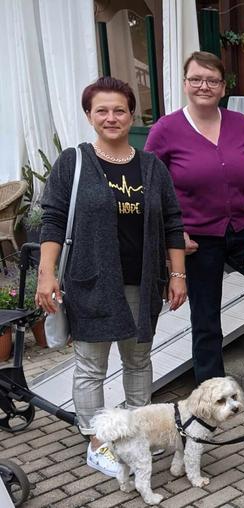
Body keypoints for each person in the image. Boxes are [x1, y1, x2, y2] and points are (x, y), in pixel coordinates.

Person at [36, 76, 187, 478]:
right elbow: (52, 220)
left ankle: (138, 435)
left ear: (132, 115)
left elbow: (173, 223)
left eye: (120, 110)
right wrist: (46, 275)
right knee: (91, 366)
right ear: (89, 115)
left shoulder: (152, 167)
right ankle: (98, 443)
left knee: (138, 361)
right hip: (91, 282)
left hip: (143, 280)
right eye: (101, 110)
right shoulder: (74, 162)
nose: (111, 117)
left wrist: (177, 274)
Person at [145, 52, 244, 385]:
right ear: (185, 83)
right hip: (197, 240)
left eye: (212, 80)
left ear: (223, 87)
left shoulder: (239, 124)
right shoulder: (165, 130)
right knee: (206, 317)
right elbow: (151, 191)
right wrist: (174, 234)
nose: (204, 86)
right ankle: (212, 389)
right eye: (196, 79)